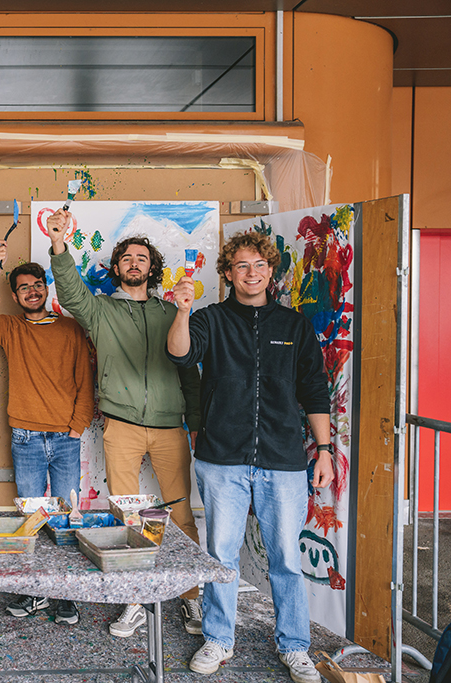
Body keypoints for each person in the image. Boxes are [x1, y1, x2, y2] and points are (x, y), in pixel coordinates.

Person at [167, 231, 334, 683]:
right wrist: (181, 312)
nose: (252, 273)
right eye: (242, 266)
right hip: (222, 460)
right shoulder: (209, 318)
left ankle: (295, 646)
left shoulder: (294, 326)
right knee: (221, 556)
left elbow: (314, 390)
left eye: (260, 265)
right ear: (227, 273)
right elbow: (180, 352)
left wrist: (324, 450)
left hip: (283, 461)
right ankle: (219, 638)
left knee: (284, 557)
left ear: (271, 272)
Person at [46, 209, 203, 637]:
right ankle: (134, 601)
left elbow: (189, 370)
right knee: (127, 518)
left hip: (171, 427)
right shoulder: (100, 312)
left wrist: (196, 423)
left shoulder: (172, 313)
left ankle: (191, 599)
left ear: (152, 269)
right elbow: (72, 292)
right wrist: (59, 244)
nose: (135, 263)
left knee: (181, 514)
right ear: (116, 268)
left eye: (142, 258)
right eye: (127, 258)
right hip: (122, 427)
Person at [0, 243, 94, 625]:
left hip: (64, 439)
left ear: (47, 289)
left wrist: (75, 429)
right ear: (15, 295)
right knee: (30, 521)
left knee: (64, 522)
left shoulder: (70, 329)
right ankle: (34, 593)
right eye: (24, 287)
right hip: (25, 438)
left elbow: (84, 382)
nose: (32, 291)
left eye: (37, 284)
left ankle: (66, 595)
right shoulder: (11, 328)